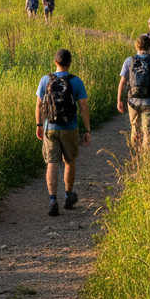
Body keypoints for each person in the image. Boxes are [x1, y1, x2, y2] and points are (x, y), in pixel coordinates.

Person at [36, 48, 91, 216]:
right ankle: (68, 195)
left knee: (51, 163)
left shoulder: (45, 80)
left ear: (55, 62)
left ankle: (53, 200)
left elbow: (38, 105)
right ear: (70, 63)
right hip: (70, 127)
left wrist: (39, 125)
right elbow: (83, 107)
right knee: (69, 161)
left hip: (50, 127)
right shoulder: (76, 81)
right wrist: (87, 129)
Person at [117, 34, 150, 150]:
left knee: (135, 127)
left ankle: (136, 152)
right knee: (147, 130)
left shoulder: (129, 61)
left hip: (133, 101)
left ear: (136, 46)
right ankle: (145, 156)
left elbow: (123, 82)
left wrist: (119, 99)